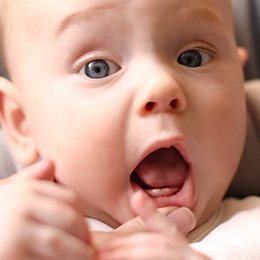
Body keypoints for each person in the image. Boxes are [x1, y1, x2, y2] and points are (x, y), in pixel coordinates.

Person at [0, 0, 259, 259]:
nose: (161, 84)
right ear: (22, 122)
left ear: (239, 77)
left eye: (192, 58)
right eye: (98, 68)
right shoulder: (23, 235)